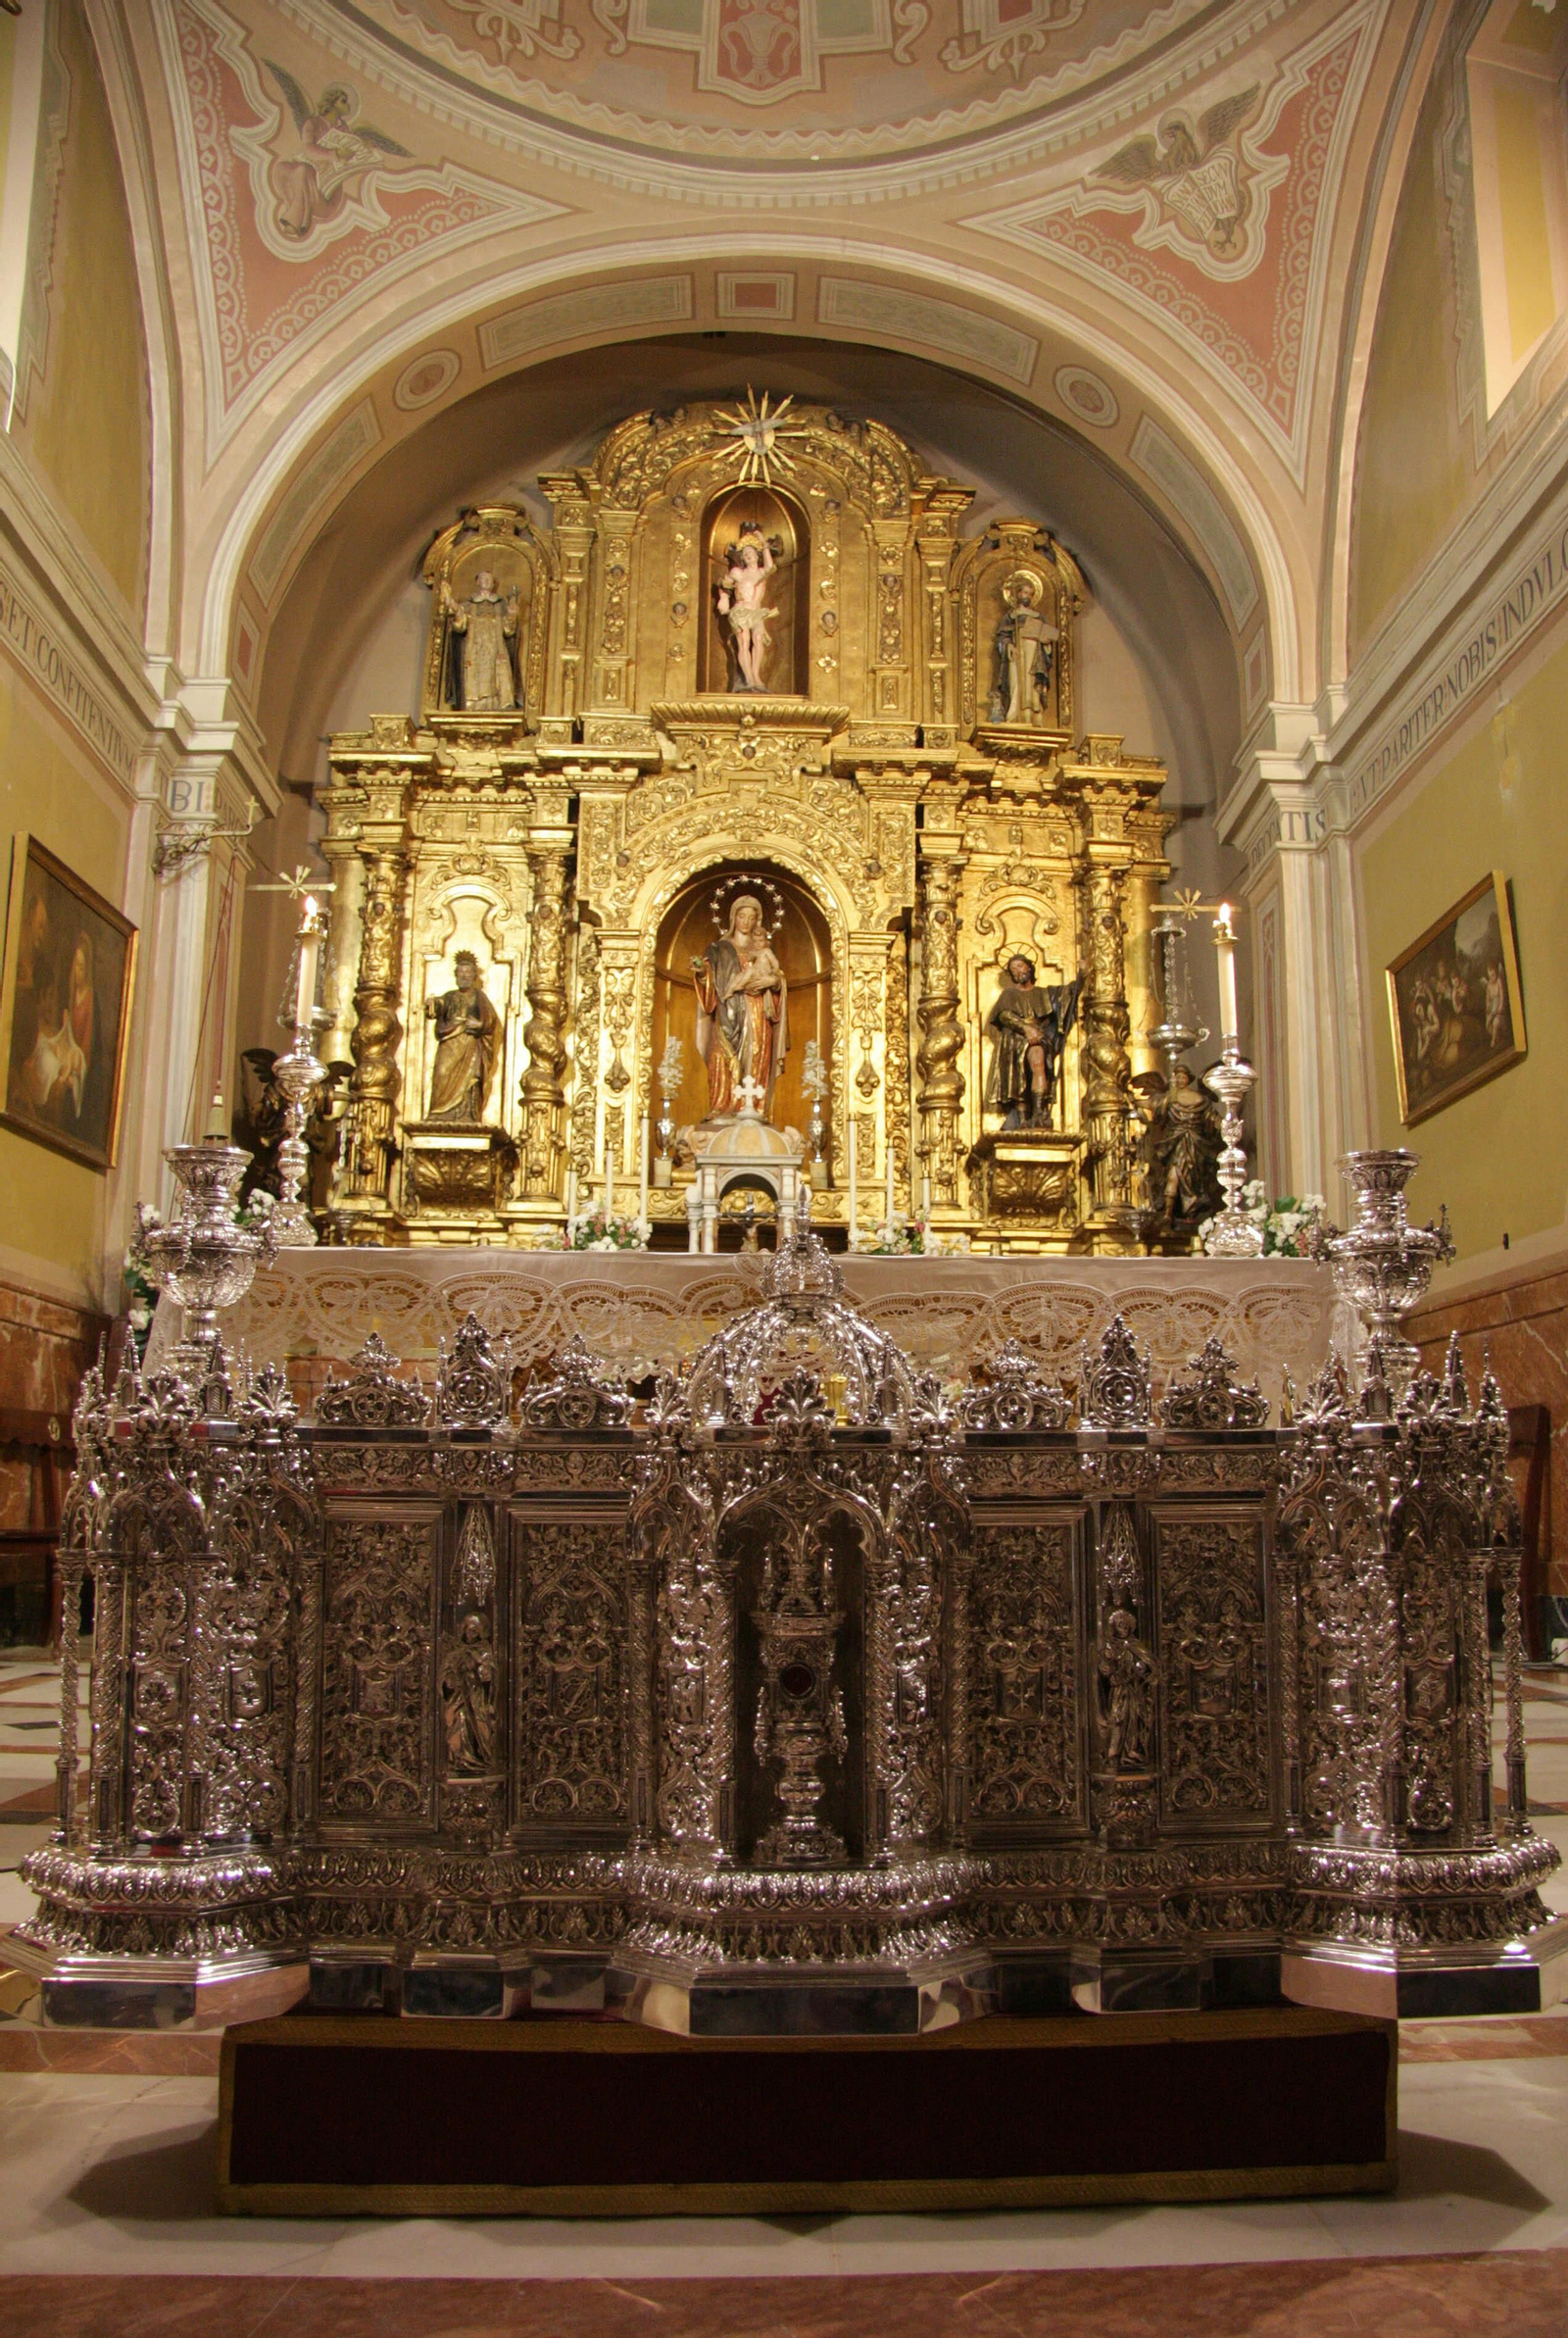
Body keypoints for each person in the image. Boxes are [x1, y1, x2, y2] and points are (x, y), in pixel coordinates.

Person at [693, 893, 787, 1119]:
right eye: (741, 916)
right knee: (721, 1056)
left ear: (757, 921)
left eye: (751, 918)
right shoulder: (719, 949)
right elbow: (711, 982)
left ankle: (754, 1108)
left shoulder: (764, 949)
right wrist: (702, 973)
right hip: (727, 1010)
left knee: (756, 1054)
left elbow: (778, 977)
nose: (745, 922)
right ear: (733, 917)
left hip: (757, 1011)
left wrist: (773, 982)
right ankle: (722, 1106)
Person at [985, 954, 1081, 1128]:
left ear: (1029, 967)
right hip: (1015, 1038)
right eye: (1013, 969)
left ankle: (1038, 1111)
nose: (1017, 972)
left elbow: (1068, 995)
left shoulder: (1043, 993)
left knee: (1038, 1062)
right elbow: (1004, 1015)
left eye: (1020, 966)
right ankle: (1022, 1119)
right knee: (1017, 1076)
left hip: (1038, 1036)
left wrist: (1084, 974)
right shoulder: (1009, 994)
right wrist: (1025, 1028)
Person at [425, 951, 501, 1123]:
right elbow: (439, 1005)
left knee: (470, 1079)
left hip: (470, 1045)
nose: (464, 976)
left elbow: (490, 1021)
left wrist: (480, 1025)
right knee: (442, 1072)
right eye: (461, 972)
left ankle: (465, 1114)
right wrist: (432, 1003)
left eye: (468, 973)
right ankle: (439, 1112)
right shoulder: (450, 996)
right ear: (456, 975)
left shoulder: (479, 997)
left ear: (474, 975)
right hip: (450, 1043)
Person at [715, 522, 779, 693]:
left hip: (756, 611)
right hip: (740, 610)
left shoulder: (760, 573)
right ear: (742, 558)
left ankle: (756, 676)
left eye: (751, 552)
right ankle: (749, 678)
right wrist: (723, 599)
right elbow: (725, 584)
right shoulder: (738, 572)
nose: (748, 555)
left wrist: (763, 544)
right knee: (744, 642)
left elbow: (771, 567)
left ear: (757, 556)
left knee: (758, 639)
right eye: (745, 554)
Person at [444, 569, 520, 711]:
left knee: (498, 674)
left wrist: (511, 616)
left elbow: (508, 630)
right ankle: (473, 705)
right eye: (483, 578)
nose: (485, 581)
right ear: (477, 582)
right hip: (475, 646)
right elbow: (460, 626)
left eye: (489, 579)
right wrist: (454, 608)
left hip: (496, 647)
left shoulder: (500, 605)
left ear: (493, 583)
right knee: (474, 674)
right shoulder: (468, 605)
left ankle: (499, 704)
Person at [991, 575, 1060, 722]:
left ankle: (1033, 714)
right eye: (1024, 593)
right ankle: (1016, 714)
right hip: (1018, 653)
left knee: (1032, 683)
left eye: (1030, 594)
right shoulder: (1011, 616)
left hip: (1035, 654)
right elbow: (1003, 635)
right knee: (1016, 681)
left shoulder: (1038, 617)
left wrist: (1045, 643)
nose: (1027, 596)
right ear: (1018, 594)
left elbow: (1046, 636)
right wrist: (1009, 645)